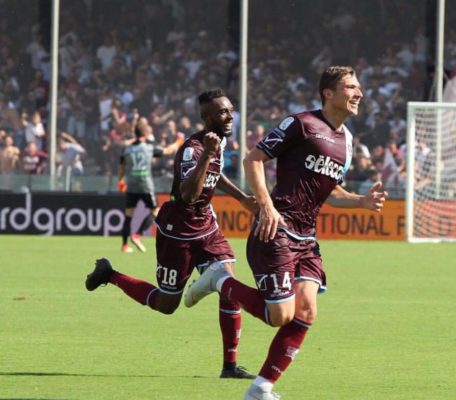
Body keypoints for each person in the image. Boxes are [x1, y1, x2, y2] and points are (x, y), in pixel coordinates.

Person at [184, 66, 388, 400]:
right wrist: (266, 206)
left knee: (306, 311)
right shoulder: (301, 124)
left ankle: (260, 388)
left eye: (358, 87)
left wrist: (361, 201)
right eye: (351, 87)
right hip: (276, 230)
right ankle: (220, 280)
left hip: (307, 238)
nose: (359, 93)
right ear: (328, 93)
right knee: (279, 315)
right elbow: (253, 160)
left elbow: (331, 190)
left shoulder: (348, 141)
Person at [85, 89, 258, 379]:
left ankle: (229, 366)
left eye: (231, 110)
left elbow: (215, 174)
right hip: (178, 230)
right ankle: (109, 274)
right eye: (222, 112)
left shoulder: (218, 141)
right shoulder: (193, 150)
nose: (230, 116)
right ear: (206, 117)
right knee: (167, 305)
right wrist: (208, 154)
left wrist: (241, 197)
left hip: (206, 225)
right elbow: (189, 195)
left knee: (229, 286)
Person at [117, 116, 183, 253]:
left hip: (132, 184)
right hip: (145, 184)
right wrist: (178, 142)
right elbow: (168, 151)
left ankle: (124, 245)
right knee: (156, 212)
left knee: (128, 215)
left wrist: (121, 180)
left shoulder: (127, 149)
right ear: (146, 134)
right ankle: (137, 235)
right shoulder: (148, 147)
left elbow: (122, 167)